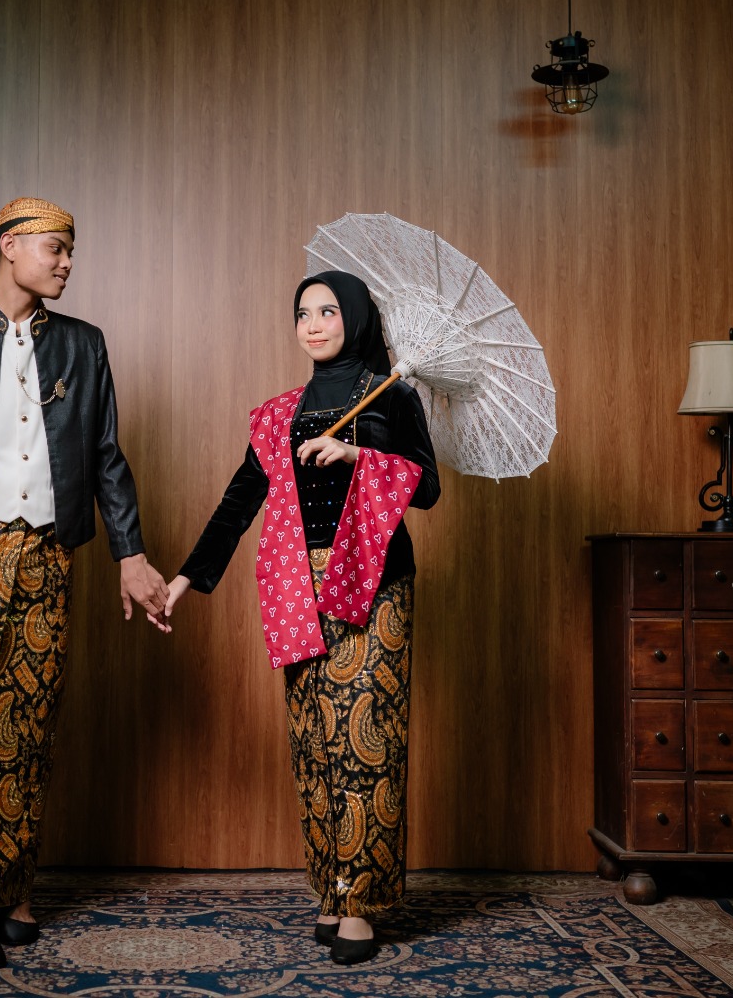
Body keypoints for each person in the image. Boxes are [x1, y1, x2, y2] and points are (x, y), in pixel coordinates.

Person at [0, 197, 170, 970]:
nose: (67, 263)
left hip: (51, 556)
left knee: (27, 727)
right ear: (10, 245)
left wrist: (131, 554)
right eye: (56, 248)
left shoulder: (83, 344)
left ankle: (9, 886)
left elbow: (107, 457)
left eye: (70, 251)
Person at [164, 270, 439, 966]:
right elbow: (240, 499)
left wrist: (358, 454)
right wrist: (187, 577)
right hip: (297, 582)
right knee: (315, 739)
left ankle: (362, 904)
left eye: (327, 311)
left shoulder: (393, 393)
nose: (313, 324)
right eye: (302, 313)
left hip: (374, 583)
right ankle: (332, 888)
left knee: (365, 737)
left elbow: (428, 487)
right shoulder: (278, 413)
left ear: (356, 318)